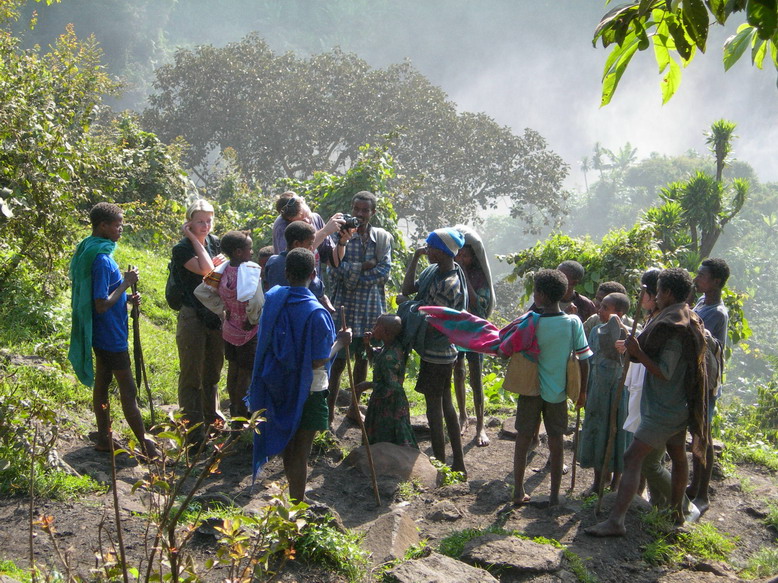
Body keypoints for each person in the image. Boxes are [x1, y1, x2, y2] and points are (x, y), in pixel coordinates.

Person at [587, 268, 708, 536]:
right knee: (677, 455)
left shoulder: (674, 325)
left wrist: (637, 352)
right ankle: (677, 514)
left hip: (665, 408)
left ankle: (617, 521)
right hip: (675, 405)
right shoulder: (679, 316)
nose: (654, 295)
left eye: (658, 290)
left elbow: (664, 371)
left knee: (632, 457)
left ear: (666, 292)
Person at [246, 248, 351, 502]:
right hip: (309, 389)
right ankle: (297, 505)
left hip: (277, 383)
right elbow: (317, 359)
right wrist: (340, 342)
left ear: (286, 272)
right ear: (314, 274)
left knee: (289, 448)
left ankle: (292, 503)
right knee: (300, 451)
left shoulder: (273, 297)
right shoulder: (317, 313)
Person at [68, 202, 156, 458]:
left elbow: (107, 297)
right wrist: (126, 284)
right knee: (128, 390)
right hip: (111, 336)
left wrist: (127, 300)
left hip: (100, 332)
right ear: (103, 226)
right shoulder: (102, 260)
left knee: (103, 383)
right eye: (117, 225)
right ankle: (146, 444)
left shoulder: (88, 248)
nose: (121, 229)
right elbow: (101, 304)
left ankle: (105, 439)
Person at [512, 269, 592, 507]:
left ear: (541, 296)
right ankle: (555, 495)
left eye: (536, 290)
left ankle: (518, 491)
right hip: (558, 392)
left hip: (530, 389)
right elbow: (584, 358)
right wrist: (583, 392)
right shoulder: (573, 322)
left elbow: (514, 350)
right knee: (556, 442)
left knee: (523, 438)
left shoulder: (530, 322)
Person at [401, 228, 468, 477]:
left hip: (438, 352)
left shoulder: (450, 283)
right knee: (445, 403)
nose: (427, 250)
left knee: (435, 406)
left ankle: (441, 460)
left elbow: (429, 316)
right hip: (437, 349)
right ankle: (456, 461)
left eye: (430, 248)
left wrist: (403, 305)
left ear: (442, 251)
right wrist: (416, 258)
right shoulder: (434, 271)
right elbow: (408, 287)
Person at [328, 191, 393, 425]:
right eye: (356, 209)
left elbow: (383, 273)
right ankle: (329, 412)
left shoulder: (383, 238)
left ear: (373, 213)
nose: (360, 214)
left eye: (365, 210)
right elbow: (333, 270)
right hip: (344, 308)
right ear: (351, 209)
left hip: (370, 309)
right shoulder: (339, 236)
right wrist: (365, 266)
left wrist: (351, 273)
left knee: (363, 359)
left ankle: (354, 409)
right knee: (337, 361)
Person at [194, 230, 264, 431]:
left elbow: (203, 291)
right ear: (239, 252)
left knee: (233, 369)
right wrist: (252, 319)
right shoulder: (250, 270)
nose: (252, 252)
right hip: (247, 331)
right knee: (245, 373)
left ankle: (234, 408)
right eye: (249, 248)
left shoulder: (223, 270)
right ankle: (241, 417)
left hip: (230, 327)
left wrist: (223, 308)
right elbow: (256, 300)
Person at [170, 200, 225, 444]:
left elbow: (223, 271)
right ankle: (192, 430)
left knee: (213, 371)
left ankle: (212, 420)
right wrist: (193, 239)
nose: (205, 226)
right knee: (192, 373)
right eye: (200, 221)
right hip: (192, 315)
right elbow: (206, 270)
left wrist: (216, 265)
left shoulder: (215, 243)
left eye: (209, 221)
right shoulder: (182, 249)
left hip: (214, 315)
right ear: (189, 222)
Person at [687, 257, 730, 515]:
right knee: (696, 433)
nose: (697, 278)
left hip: (706, 382)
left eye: (702, 275)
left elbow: (701, 340)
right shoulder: (703, 301)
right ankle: (694, 485)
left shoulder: (718, 313)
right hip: (697, 378)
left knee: (703, 436)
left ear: (716, 281)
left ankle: (703, 494)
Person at [578, 292, 630, 496]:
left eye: (605, 308)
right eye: (601, 306)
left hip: (618, 393)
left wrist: (627, 344)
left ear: (620, 313)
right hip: (597, 390)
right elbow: (589, 359)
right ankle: (597, 483)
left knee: (618, 434)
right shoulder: (597, 330)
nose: (600, 311)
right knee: (597, 431)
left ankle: (616, 484)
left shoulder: (630, 334)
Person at [452, 225, 495, 447]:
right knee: (458, 372)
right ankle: (462, 416)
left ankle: (481, 425)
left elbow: (480, 303)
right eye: (458, 254)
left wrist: (465, 276)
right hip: (457, 330)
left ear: (473, 257)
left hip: (476, 331)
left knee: (476, 378)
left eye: (465, 256)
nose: (461, 258)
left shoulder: (479, 277)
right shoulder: (450, 273)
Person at [358, 314, 418, 448]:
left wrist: (368, 385)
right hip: (383, 402)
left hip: (391, 405)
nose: (373, 328)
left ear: (385, 332)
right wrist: (367, 345)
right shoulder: (390, 347)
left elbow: (393, 387)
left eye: (376, 326)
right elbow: (376, 356)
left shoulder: (390, 358)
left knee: (389, 436)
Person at [264, 221, 335, 312]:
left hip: (276, 312)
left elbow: (267, 284)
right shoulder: (303, 264)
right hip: (300, 312)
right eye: (310, 244)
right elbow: (318, 289)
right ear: (297, 244)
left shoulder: (272, 261)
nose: (311, 248)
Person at [271, 191, 342, 258]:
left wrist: (343, 241)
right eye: (302, 221)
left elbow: (332, 261)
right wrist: (325, 232)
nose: (308, 221)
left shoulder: (316, 218)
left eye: (307, 215)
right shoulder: (281, 226)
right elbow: (292, 258)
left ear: (304, 201)